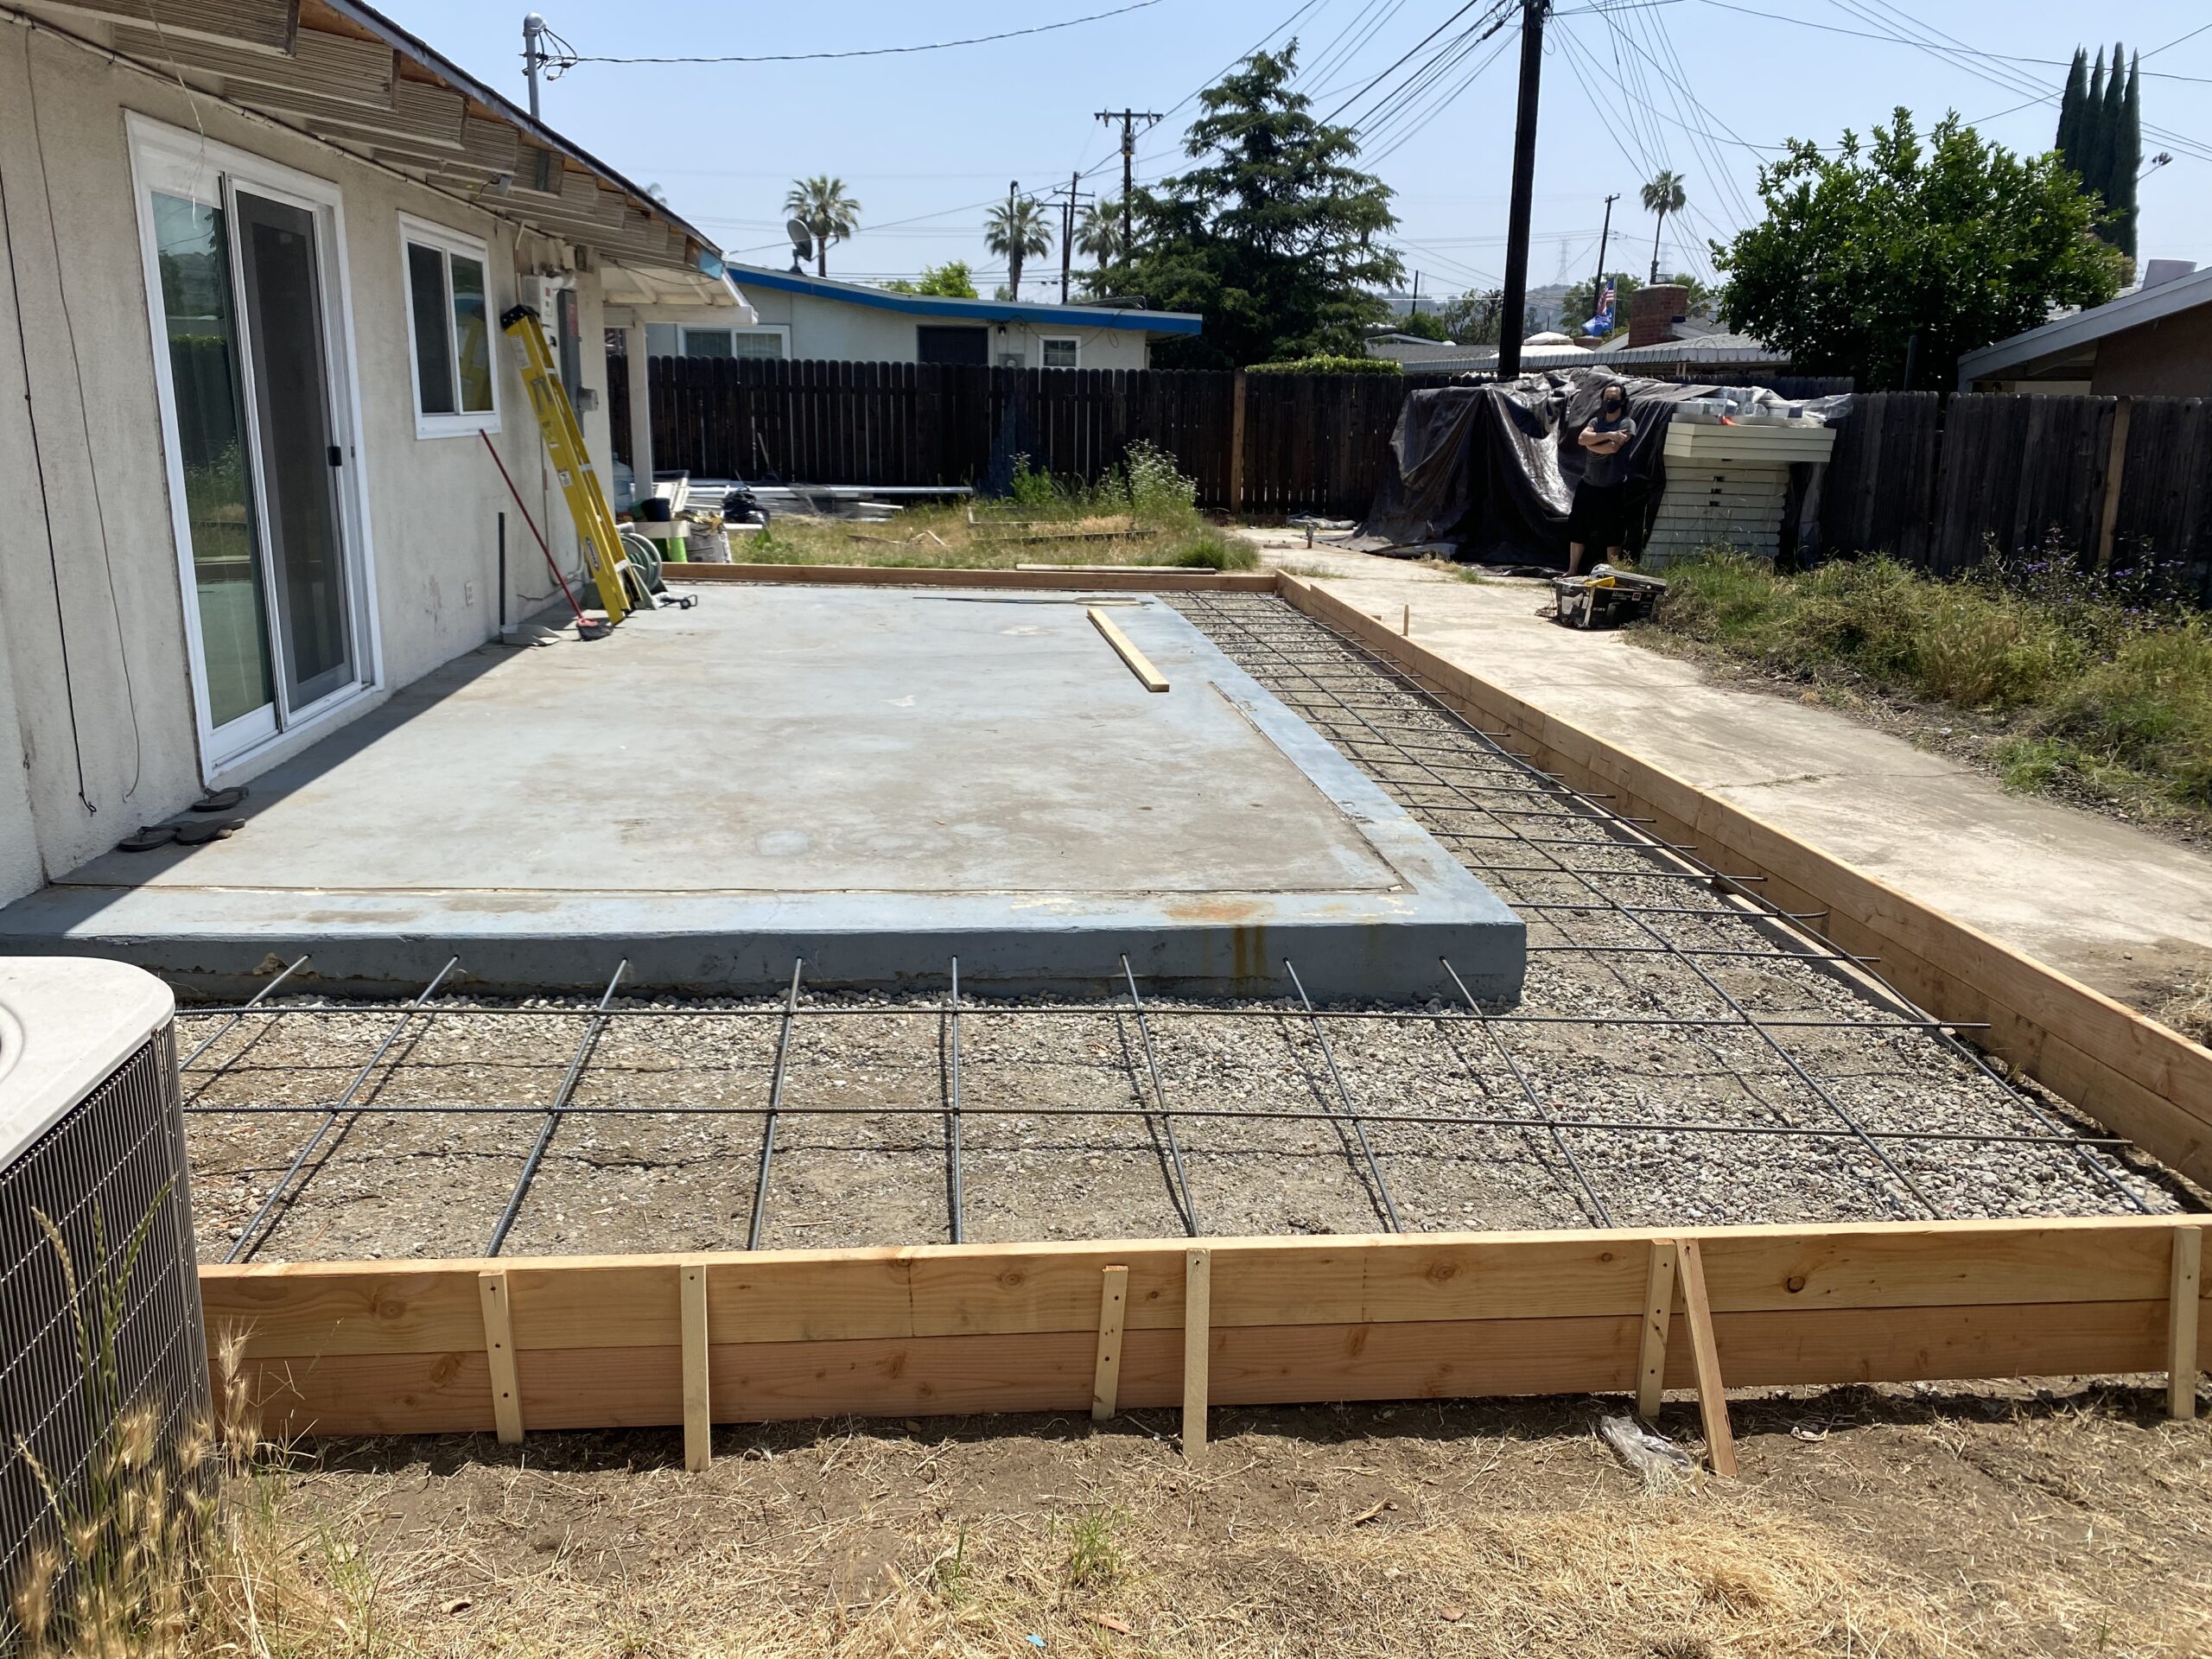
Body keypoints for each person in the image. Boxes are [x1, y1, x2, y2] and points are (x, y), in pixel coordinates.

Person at [1567, 381, 1637, 576]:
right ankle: (1572, 569)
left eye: (1614, 399)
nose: (1609, 402)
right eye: (1606, 399)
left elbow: (1612, 448)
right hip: (1588, 483)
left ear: (1622, 401)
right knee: (1578, 527)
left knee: (1612, 532)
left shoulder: (1626, 424)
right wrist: (1607, 435)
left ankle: (1611, 573)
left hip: (1612, 486)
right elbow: (1582, 439)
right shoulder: (1596, 422)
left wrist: (1593, 443)